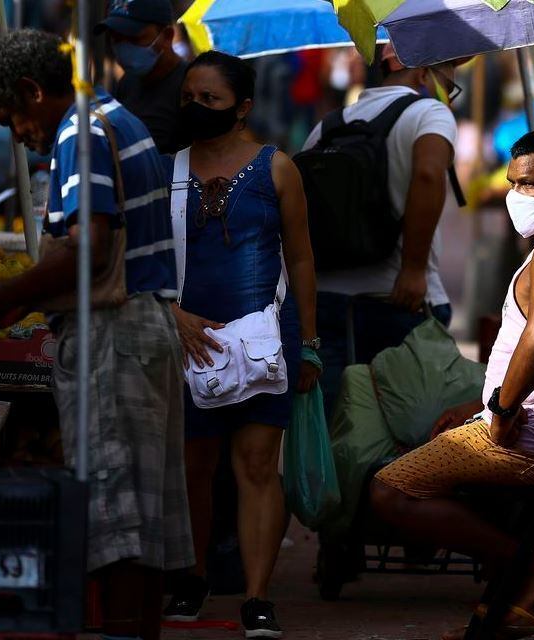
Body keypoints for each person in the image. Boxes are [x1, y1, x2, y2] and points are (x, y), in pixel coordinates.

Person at [0, 30, 189, 640]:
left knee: (116, 515)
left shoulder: (80, 133)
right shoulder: (111, 117)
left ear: (32, 92)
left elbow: (89, 248)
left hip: (116, 334)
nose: (18, 136)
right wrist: (26, 299)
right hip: (142, 326)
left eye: (12, 118)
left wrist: (3, 296)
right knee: (140, 516)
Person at [369, 125, 534, 636]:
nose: (516, 196)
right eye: (513, 183)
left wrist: (502, 410)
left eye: (530, 184)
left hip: (532, 435)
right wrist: (482, 404)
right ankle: (517, 594)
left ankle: (531, 568)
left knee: (390, 490)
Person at [165, 51, 318, 639]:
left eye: (210, 99)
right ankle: (194, 577)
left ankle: (257, 596)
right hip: (187, 338)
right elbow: (144, 259)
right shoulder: (168, 170)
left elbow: (300, 258)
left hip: (264, 337)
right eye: (189, 97)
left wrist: (310, 342)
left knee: (255, 465)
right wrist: (172, 314)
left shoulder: (277, 168)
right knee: (193, 466)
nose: (196, 107)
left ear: (243, 107)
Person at [302, 44, 462, 415]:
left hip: (327, 300)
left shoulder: (329, 125)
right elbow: (428, 173)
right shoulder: (429, 112)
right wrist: (413, 269)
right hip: (397, 299)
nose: (448, 95)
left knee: (335, 426)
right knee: (406, 430)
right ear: (422, 72)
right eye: (448, 83)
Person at [97, 0, 188, 154]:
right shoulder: (127, 82)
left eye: (134, 38)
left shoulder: (190, 86)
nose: (124, 47)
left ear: (167, 36)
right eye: (116, 39)